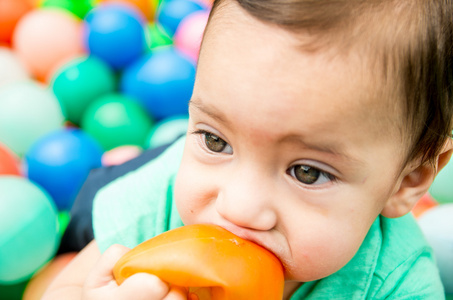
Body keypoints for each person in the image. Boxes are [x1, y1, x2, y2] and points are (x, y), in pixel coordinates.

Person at [43, 0, 453, 299]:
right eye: (214, 138)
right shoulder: (159, 205)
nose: (237, 208)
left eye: (307, 172)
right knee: (75, 231)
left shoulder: (398, 284)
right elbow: (56, 290)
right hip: (154, 169)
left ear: (407, 181)